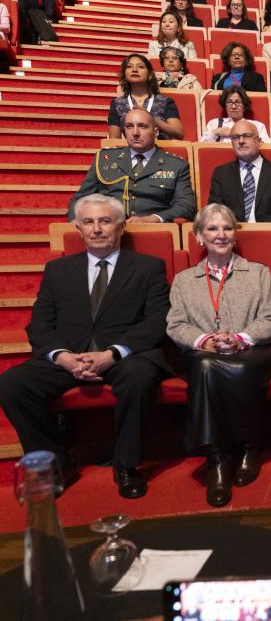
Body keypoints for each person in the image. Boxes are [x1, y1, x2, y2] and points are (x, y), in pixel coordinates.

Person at [0, 194, 171, 499]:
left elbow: (157, 321)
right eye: (88, 222)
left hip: (123, 355)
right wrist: (62, 357)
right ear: (78, 229)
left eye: (105, 221)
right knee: (13, 383)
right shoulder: (58, 270)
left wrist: (112, 353)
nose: (97, 229)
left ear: (120, 227)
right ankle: (58, 463)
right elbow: (39, 324)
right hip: (71, 356)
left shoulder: (148, 267)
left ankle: (127, 464)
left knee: (140, 378)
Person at [166, 204, 271, 507]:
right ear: (199, 237)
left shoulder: (258, 272)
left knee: (233, 367)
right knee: (207, 364)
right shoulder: (184, 280)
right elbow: (176, 325)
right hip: (203, 352)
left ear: (235, 234)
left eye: (227, 228)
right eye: (213, 229)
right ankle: (222, 455)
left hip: (256, 350)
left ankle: (238, 451)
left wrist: (241, 338)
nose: (221, 235)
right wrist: (204, 339)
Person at [72, 109, 195, 222]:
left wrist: (152, 219)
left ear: (156, 131)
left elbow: (186, 207)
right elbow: (80, 199)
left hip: (152, 232)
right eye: (129, 126)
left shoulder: (176, 165)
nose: (135, 133)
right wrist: (75, 222)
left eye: (142, 126)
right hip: (107, 230)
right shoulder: (105, 160)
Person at [208, 121, 271, 222]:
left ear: (259, 141)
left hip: (269, 233)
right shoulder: (221, 174)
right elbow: (215, 209)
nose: (241, 141)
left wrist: (261, 229)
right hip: (233, 233)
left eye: (247, 136)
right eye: (236, 137)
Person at [107, 53, 184, 141]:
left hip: (160, 151)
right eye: (129, 67)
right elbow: (114, 140)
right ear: (124, 75)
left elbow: (179, 133)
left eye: (140, 67)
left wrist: (153, 120)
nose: (134, 70)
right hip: (131, 153)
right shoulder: (117, 103)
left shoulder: (165, 102)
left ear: (150, 75)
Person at [202, 86, 271, 143]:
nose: (233, 106)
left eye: (238, 102)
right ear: (225, 106)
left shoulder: (258, 126)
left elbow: (268, 148)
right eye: (229, 102)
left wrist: (234, 134)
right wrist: (215, 133)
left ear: (244, 106)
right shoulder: (214, 123)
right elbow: (202, 148)